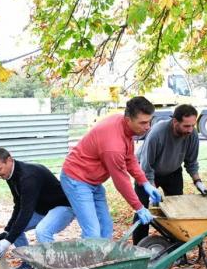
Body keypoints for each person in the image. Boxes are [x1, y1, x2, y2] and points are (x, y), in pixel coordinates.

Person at [60, 96, 162, 239]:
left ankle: (104, 261)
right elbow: (121, 181)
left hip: (93, 181)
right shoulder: (113, 146)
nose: (148, 127)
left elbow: (130, 158)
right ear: (128, 120)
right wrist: (139, 207)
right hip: (76, 179)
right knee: (93, 232)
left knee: (106, 227)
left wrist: (144, 182)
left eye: (149, 121)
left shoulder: (122, 124)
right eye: (143, 123)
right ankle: (88, 261)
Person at [0, 148, 75, 269]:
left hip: (63, 207)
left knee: (42, 231)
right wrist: (8, 232)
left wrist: (8, 241)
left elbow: (26, 211)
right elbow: (18, 204)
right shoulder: (10, 175)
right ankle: (28, 264)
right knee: (14, 231)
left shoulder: (28, 176)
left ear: (9, 160)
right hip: (43, 209)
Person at [132, 104, 207, 245]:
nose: (190, 130)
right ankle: (138, 250)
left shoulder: (192, 134)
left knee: (177, 211)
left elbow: (191, 162)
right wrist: (151, 189)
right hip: (146, 172)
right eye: (186, 126)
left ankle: (178, 251)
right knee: (142, 212)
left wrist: (198, 182)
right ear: (175, 122)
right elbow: (146, 167)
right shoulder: (157, 133)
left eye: (193, 125)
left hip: (172, 171)